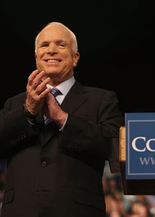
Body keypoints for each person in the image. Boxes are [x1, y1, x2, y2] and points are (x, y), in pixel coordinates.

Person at [0, 22, 123, 217]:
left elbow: (114, 146)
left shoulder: (102, 100)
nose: (51, 50)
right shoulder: (14, 104)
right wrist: (28, 112)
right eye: (44, 45)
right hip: (20, 210)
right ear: (36, 57)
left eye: (61, 45)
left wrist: (63, 119)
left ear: (75, 58)